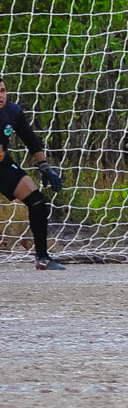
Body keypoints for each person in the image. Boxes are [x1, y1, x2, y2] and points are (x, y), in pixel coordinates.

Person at [0, 78, 62, 269]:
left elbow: (31, 140)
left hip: (2, 166)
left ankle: (43, 258)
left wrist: (44, 166)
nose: (0, 96)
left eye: (2, 91)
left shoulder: (13, 112)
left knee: (37, 203)